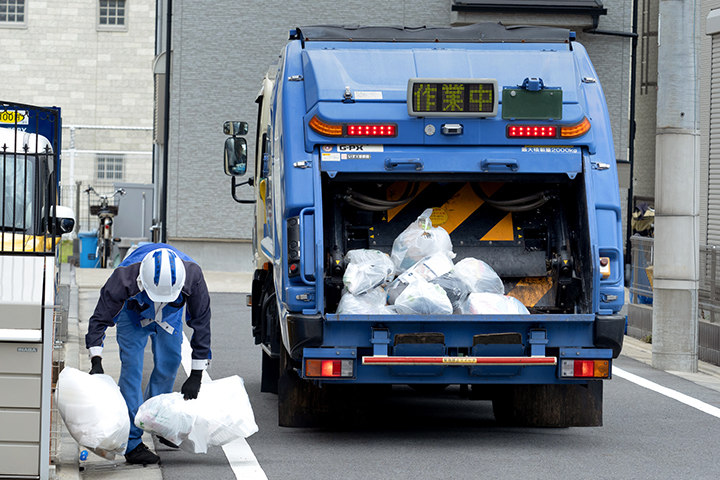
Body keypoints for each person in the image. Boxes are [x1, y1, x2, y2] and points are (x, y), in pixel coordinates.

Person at [85, 243, 212, 465]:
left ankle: (157, 422)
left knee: (170, 362)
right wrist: (96, 360)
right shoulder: (124, 276)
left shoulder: (193, 276)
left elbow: (201, 324)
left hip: (170, 315)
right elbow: (100, 319)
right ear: (142, 281)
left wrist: (197, 374)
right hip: (133, 314)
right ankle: (132, 443)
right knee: (132, 369)